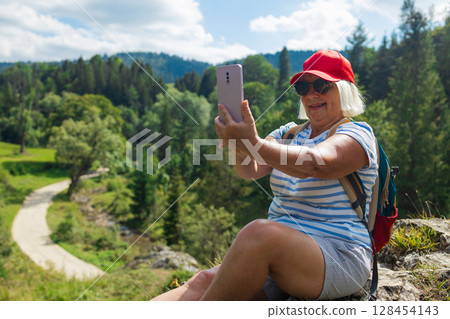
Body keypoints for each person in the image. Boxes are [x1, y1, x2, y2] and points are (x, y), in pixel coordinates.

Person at [151, 49, 377, 301]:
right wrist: (239, 143)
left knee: (259, 233)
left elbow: (314, 164)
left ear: (344, 89)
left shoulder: (357, 133)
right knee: (203, 280)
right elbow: (250, 169)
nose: (311, 94)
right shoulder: (289, 133)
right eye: (303, 86)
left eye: (322, 85)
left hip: (338, 255)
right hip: (281, 256)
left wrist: (253, 142)